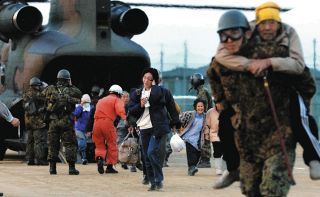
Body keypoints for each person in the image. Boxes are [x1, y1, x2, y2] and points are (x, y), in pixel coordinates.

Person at [215, 1, 320, 181]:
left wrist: (270, 63)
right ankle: (233, 168)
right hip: (252, 87)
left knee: (300, 115)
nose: (268, 27)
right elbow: (221, 55)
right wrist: (249, 65)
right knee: (226, 119)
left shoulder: (289, 33)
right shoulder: (244, 30)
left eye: (272, 23)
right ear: (257, 23)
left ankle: (314, 160)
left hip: (285, 85)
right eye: (264, 23)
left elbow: (298, 64)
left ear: (279, 23)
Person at [209, 8, 298, 196]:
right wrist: (225, 105)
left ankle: (314, 157)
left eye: (234, 35)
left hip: (276, 134)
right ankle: (232, 169)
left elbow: (302, 76)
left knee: (272, 190)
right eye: (224, 37)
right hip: (247, 141)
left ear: (247, 33)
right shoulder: (219, 64)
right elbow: (215, 82)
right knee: (250, 190)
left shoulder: (270, 52)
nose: (229, 41)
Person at [127, 67, 181, 191]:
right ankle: (152, 182)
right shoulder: (136, 93)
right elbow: (131, 111)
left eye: (150, 79)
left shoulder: (162, 92)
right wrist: (140, 105)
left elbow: (172, 108)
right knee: (146, 156)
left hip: (158, 127)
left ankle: (159, 179)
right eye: (144, 77)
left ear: (154, 81)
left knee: (152, 152)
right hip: (143, 127)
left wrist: (176, 123)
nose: (146, 80)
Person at [42, 69, 82, 175]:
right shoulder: (72, 90)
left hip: (53, 121)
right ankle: (71, 168)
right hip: (66, 121)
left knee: (52, 144)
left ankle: (52, 168)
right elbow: (79, 94)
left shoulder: (50, 89)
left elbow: (42, 96)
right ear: (68, 79)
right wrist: (70, 85)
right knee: (70, 144)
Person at [93, 84, 126, 174]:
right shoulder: (116, 99)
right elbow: (121, 110)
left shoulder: (101, 100)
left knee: (99, 145)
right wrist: (125, 118)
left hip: (96, 123)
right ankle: (109, 167)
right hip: (107, 123)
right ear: (119, 93)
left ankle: (100, 158)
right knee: (112, 144)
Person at [23, 77, 48, 165]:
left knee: (30, 141)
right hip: (37, 122)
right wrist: (45, 87)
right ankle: (40, 160)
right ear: (37, 85)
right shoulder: (37, 94)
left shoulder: (26, 93)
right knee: (39, 141)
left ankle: (30, 159)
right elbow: (46, 98)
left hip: (28, 121)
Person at [190, 73, 213, 168]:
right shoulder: (202, 90)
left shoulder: (202, 92)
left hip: (205, 118)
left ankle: (205, 160)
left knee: (205, 138)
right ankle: (203, 159)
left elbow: (203, 107)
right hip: (207, 117)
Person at [179, 98, 206, 176]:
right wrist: (179, 129)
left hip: (198, 139)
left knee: (198, 154)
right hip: (188, 138)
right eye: (198, 106)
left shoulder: (205, 116)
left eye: (202, 106)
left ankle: (192, 168)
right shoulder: (190, 114)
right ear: (195, 107)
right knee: (191, 154)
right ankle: (192, 168)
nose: (200, 108)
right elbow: (179, 119)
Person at [204, 105, 226, 175]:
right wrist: (206, 134)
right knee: (217, 151)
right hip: (214, 134)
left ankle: (224, 168)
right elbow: (207, 125)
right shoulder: (210, 112)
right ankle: (218, 169)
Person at [73, 94, 93, 165]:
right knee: (82, 143)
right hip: (78, 129)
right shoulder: (78, 107)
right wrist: (80, 107)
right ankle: (82, 158)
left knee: (84, 144)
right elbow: (75, 115)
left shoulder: (91, 109)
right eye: (84, 102)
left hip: (86, 130)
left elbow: (91, 120)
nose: (86, 104)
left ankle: (83, 158)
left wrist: (90, 130)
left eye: (87, 102)